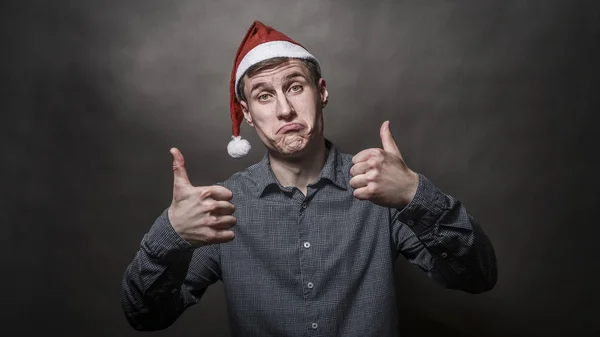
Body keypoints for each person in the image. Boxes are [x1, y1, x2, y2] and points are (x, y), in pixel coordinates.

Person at [121, 20, 497, 337]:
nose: (284, 109)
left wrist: (416, 194)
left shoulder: (379, 187)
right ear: (248, 115)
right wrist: (170, 234)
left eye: (295, 87)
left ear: (322, 92)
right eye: (264, 96)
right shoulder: (224, 207)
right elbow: (145, 316)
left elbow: (478, 276)